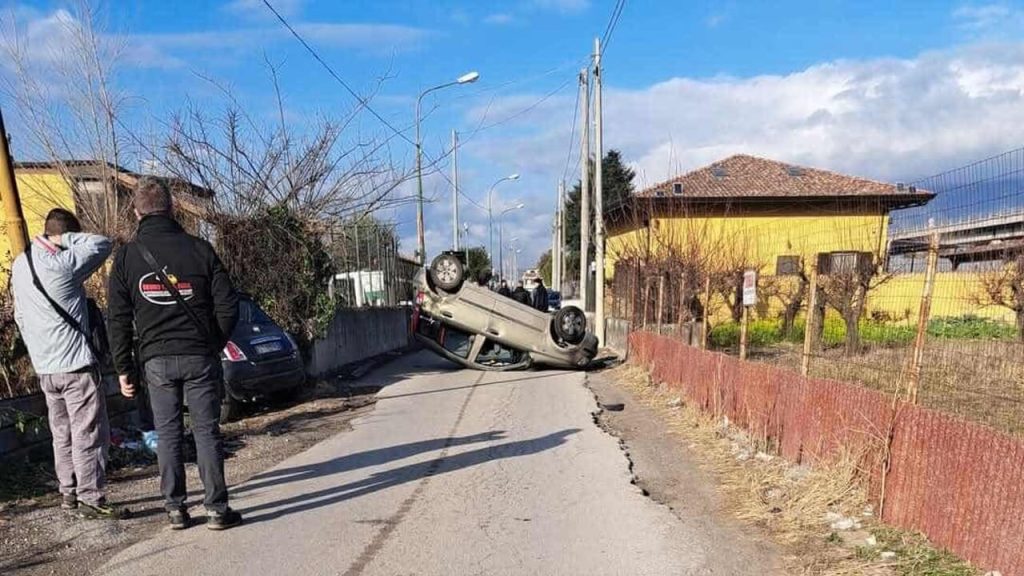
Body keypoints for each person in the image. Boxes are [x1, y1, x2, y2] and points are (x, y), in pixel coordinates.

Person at [107, 178, 242, 531]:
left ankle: (176, 509)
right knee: (206, 432)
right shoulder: (200, 249)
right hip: (199, 355)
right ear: (173, 208)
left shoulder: (126, 257)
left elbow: (117, 318)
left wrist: (124, 368)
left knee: (167, 433)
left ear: (136, 212)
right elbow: (229, 304)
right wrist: (214, 342)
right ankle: (216, 508)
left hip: (156, 360)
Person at [10, 208, 121, 519]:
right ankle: (91, 498)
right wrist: (66, 239)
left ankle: (68, 494)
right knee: (88, 433)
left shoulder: (21, 264)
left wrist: (37, 352)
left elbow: (20, 316)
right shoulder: (63, 263)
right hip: (76, 366)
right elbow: (102, 243)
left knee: (62, 434)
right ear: (64, 236)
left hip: (45, 368)